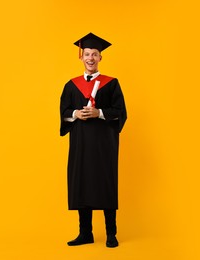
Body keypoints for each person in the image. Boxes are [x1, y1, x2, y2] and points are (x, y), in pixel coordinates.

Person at [59, 32, 127, 248]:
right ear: (81, 57)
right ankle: (85, 233)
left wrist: (99, 113)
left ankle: (111, 234)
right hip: (81, 144)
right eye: (87, 54)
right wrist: (75, 114)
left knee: (105, 183)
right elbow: (64, 111)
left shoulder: (111, 84)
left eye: (94, 54)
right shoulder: (71, 85)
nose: (90, 58)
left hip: (104, 144)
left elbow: (120, 111)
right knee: (82, 183)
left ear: (100, 58)